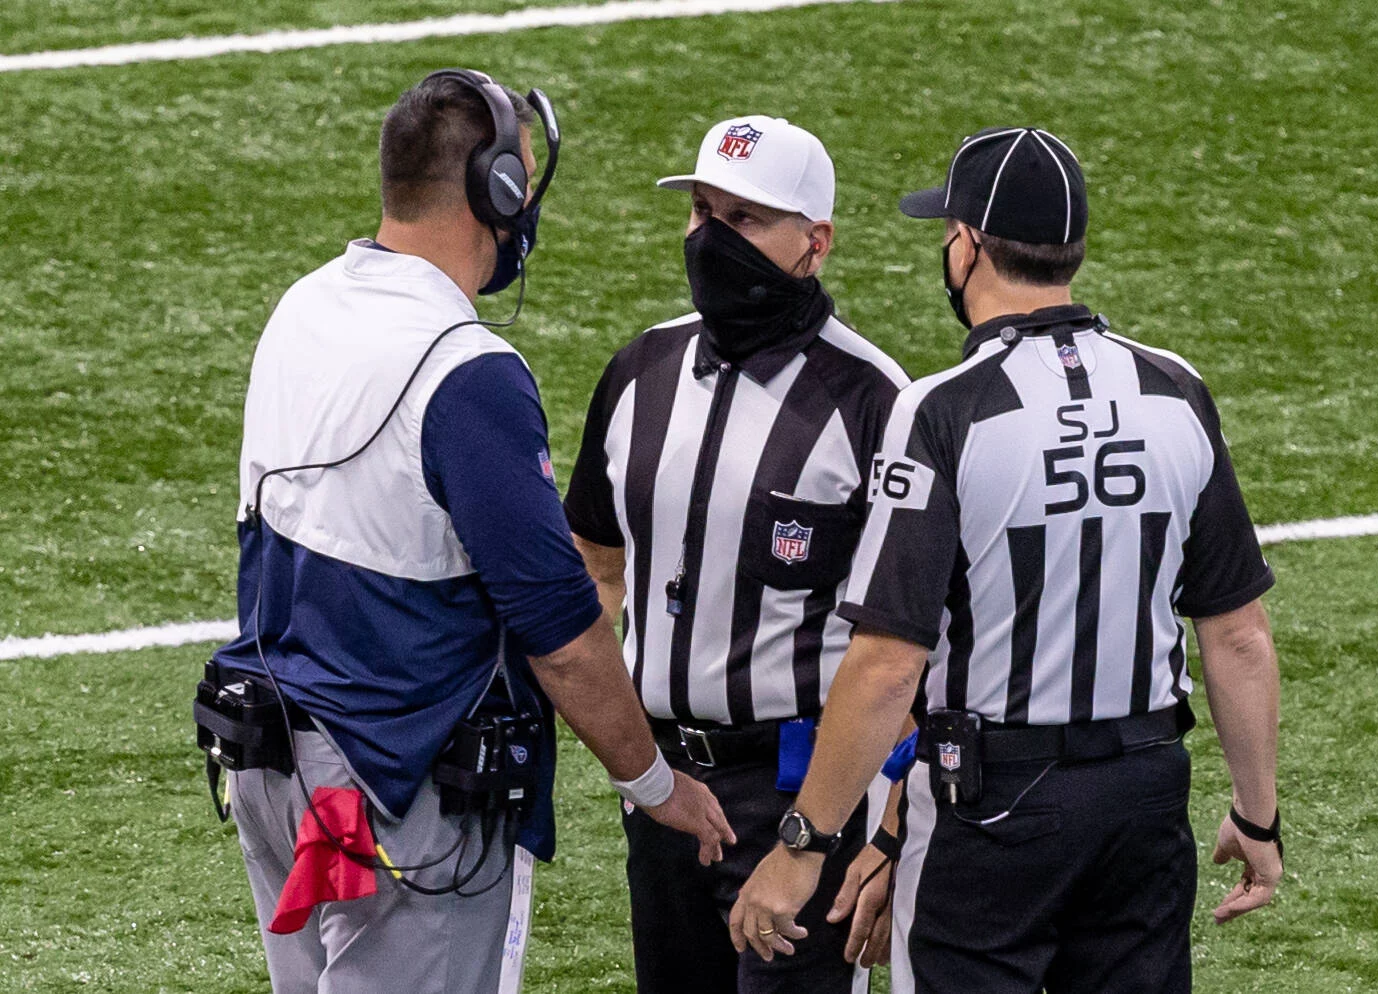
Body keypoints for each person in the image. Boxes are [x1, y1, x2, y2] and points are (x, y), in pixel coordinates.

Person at [206, 68, 731, 994]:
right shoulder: (466, 370)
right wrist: (654, 784)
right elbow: (561, 634)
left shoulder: (303, 306)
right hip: (395, 779)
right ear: (493, 192)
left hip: (276, 762)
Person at [731, 126, 1284, 994]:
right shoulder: (1174, 387)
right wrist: (1259, 814)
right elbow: (1239, 633)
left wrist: (805, 847)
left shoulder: (942, 410)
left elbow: (883, 666)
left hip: (993, 807)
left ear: (968, 245)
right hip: (1144, 795)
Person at [563, 115, 912, 994]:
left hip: (800, 790)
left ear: (814, 243)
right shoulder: (638, 370)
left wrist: (881, 828)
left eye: (745, 220)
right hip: (663, 784)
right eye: (701, 212)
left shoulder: (875, 403)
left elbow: (917, 647)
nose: (711, 239)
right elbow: (595, 566)